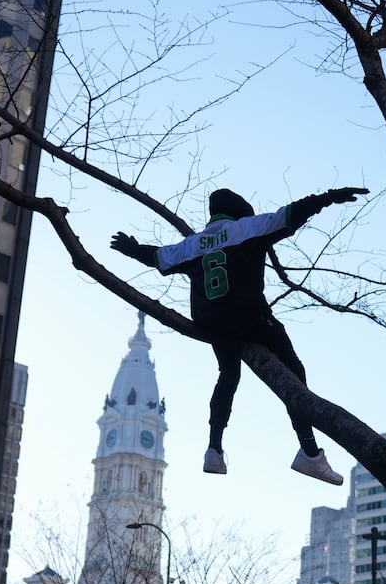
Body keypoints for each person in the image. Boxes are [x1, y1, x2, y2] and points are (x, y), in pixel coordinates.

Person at [110, 184, 368, 482]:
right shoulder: (248, 229)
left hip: (213, 323)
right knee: (295, 373)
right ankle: (309, 453)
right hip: (250, 318)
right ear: (239, 212)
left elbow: (156, 256)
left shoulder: (192, 244)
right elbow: (294, 212)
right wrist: (328, 197)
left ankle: (214, 448)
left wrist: (131, 249)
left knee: (228, 376)